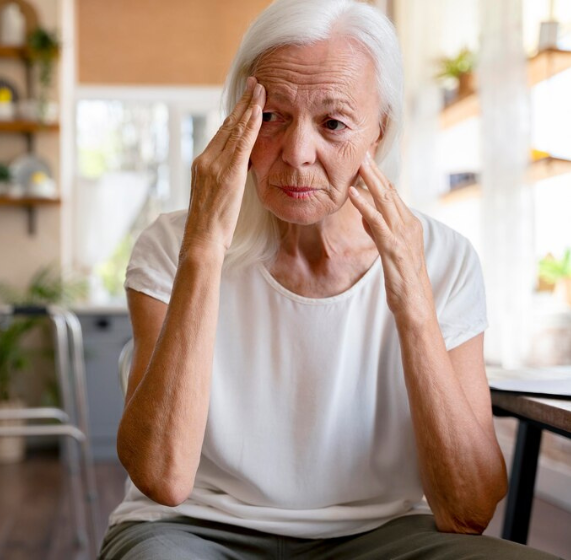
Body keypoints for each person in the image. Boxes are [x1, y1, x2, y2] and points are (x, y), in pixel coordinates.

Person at [99, 1, 560, 558]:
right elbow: (162, 477)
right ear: (237, 119)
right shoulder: (174, 245)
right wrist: (203, 249)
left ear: (379, 132)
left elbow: (468, 508)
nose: (296, 155)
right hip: (191, 527)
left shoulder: (444, 259)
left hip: (381, 534)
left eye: (334, 123)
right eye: (271, 117)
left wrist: (412, 295)